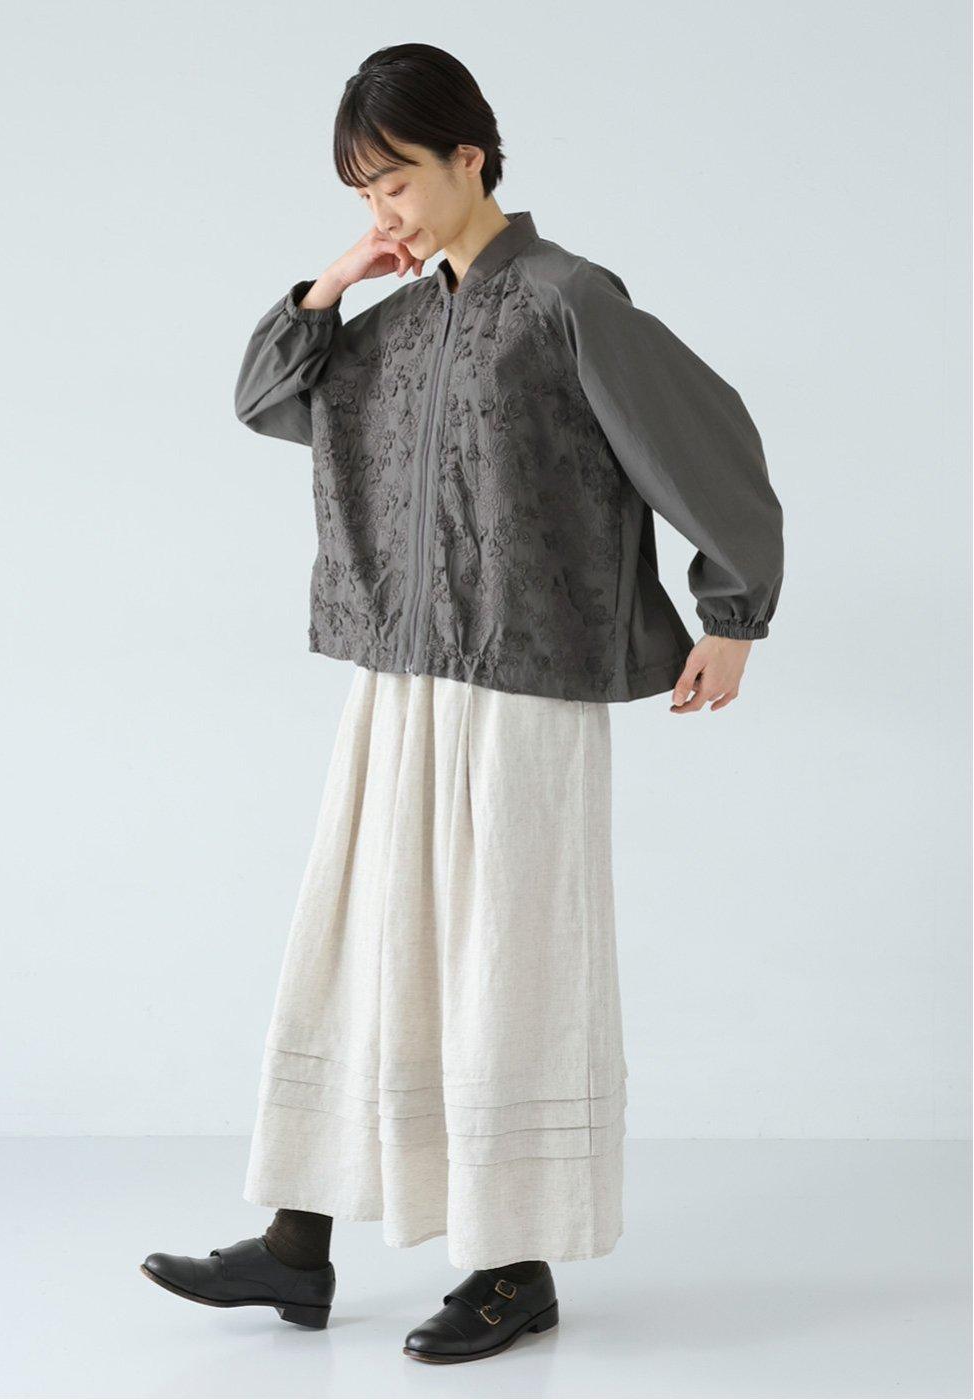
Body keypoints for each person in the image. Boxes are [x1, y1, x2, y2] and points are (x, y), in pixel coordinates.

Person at [140, 42, 784, 1365]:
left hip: (527, 680)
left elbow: (704, 438)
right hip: (401, 673)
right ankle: (297, 1245)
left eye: (396, 183)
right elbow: (267, 399)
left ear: (469, 159)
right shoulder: (397, 322)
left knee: (508, 961)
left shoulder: (569, 299)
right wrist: (335, 281)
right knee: (357, 944)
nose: (382, 209)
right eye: (361, 190)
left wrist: (732, 615)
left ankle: (513, 1268)